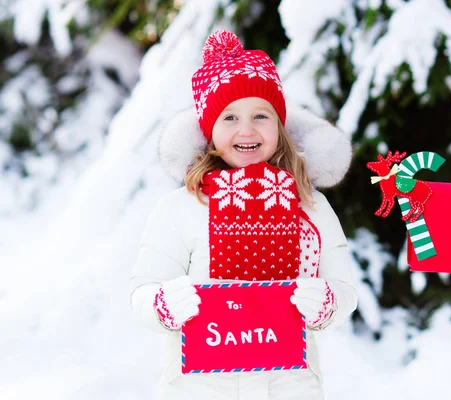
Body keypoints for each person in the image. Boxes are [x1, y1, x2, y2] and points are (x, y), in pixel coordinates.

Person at [130, 30, 357, 400]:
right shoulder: (182, 208)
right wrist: (163, 305)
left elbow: (343, 286)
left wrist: (326, 304)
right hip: (198, 388)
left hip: (289, 386)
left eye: (261, 115)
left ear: (280, 125)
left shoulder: (309, 205)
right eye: (230, 117)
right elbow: (142, 288)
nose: (246, 129)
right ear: (208, 130)